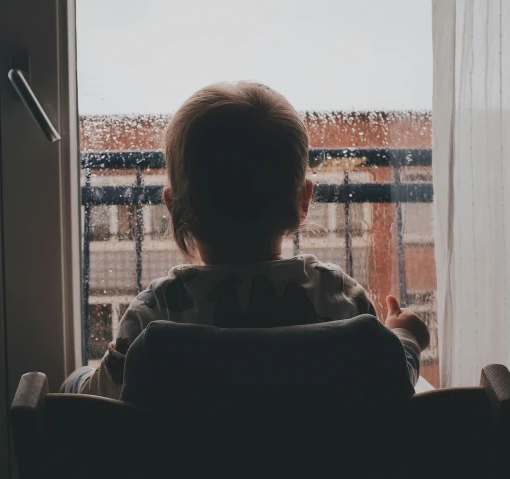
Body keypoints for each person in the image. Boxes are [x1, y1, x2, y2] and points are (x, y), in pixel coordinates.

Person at [63, 82, 430, 399]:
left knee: (74, 381)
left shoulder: (158, 308)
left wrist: (75, 383)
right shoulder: (336, 295)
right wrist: (406, 337)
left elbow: (101, 402)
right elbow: (393, 379)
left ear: (174, 208)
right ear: (302, 201)